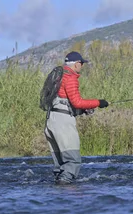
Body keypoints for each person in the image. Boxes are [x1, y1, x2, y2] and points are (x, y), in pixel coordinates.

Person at [43, 51, 109, 184]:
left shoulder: (58, 77)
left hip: (51, 121)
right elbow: (77, 102)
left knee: (60, 166)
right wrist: (99, 102)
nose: (82, 67)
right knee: (72, 162)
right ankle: (69, 200)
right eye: (82, 64)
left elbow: (63, 101)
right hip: (63, 123)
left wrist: (81, 111)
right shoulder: (70, 78)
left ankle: (57, 197)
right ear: (77, 64)